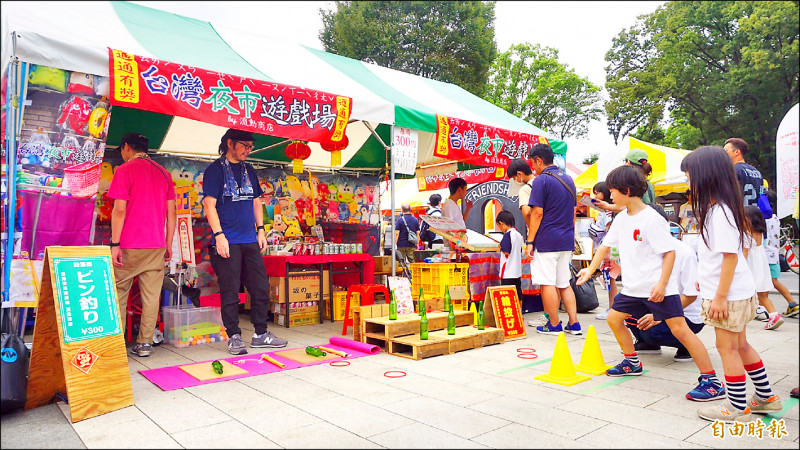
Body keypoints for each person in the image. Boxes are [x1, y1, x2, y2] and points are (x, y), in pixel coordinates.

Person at [575, 165, 719, 393]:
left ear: (626, 191)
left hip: (657, 289)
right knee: (613, 319)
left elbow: (669, 252)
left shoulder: (652, 219)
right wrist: (590, 270)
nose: (610, 196)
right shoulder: (622, 218)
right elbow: (604, 246)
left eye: (612, 191)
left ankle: (711, 381)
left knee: (681, 330)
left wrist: (662, 284)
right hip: (633, 288)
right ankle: (632, 362)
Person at [681, 146, 782, 423]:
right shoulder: (726, 208)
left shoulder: (719, 212)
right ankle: (766, 397)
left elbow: (729, 257)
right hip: (738, 293)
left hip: (728, 296)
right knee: (741, 346)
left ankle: (736, 407)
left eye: (690, 177)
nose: (689, 184)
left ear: (706, 177)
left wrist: (719, 298)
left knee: (728, 349)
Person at [202, 128, 287, 355]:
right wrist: (219, 236)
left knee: (260, 288)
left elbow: (256, 202)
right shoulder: (214, 170)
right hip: (226, 241)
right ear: (230, 143)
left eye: (251, 147)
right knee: (230, 291)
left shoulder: (249, 169)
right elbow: (209, 205)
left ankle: (261, 334)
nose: (248, 151)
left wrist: (261, 230)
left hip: (250, 239)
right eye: (245, 146)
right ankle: (234, 336)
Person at [623, 232, 726, 401]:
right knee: (627, 311)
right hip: (663, 307)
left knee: (657, 332)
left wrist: (659, 315)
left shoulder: (684, 253)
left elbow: (691, 295)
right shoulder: (647, 250)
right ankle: (645, 346)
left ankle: (701, 366)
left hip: (687, 314)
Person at [108, 132, 176, 357]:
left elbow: (119, 210)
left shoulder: (124, 170)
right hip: (156, 245)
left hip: (129, 245)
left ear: (126, 147)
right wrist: (168, 243)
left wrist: (115, 244)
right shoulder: (164, 173)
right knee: (151, 297)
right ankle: (145, 343)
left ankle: (115, 344)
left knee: (119, 294)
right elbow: (171, 213)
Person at [525, 144, 581, 335]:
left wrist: (530, 241)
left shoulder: (541, 181)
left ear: (538, 160)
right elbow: (573, 212)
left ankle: (554, 324)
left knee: (547, 282)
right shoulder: (568, 179)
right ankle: (574, 323)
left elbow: (537, 213)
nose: (533, 167)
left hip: (547, 240)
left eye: (533, 163)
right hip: (566, 239)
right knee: (563, 283)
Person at [743, 205, 784, 330]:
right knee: (763, 296)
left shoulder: (746, 236)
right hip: (761, 268)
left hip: (752, 269)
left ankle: (770, 315)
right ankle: (774, 314)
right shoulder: (759, 233)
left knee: (746, 294)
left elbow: (744, 255)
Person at [764, 190, 799, 317]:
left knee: (764, 284)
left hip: (766, 256)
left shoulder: (765, 219)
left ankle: (765, 309)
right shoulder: (775, 218)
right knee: (774, 282)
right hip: (775, 256)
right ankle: (792, 303)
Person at [588, 182, 618, 320]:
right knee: (609, 279)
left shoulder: (608, 211)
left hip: (608, 250)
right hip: (606, 248)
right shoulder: (605, 211)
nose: (595, 196)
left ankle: (612, 308)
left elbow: (608, 229)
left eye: (597, 193)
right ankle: (612, 307)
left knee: (610, 279)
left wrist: (606, 251)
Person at [594, 148, 657, 213]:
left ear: (628, 163)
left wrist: (607, 206)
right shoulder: (647, 183)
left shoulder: (633, 182)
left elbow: (630, 207)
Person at [723, 137, 763, 207]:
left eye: (726, 151)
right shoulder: (757, 172)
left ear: (737, 152)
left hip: (741, 214)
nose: (723, 154)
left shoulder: (733, 170)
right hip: (757, 214)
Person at [496, 210, 524, 302]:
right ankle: (519, 312)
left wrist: (501, 247)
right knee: (518, 293)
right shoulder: (518, 235)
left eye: (499, 226)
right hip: (517, 271)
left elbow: (506, 252)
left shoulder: (507, 235)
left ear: (501, 223)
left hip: (507, 271)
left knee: (507, 294)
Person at [507, 158, 535, 231]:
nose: (515, 181)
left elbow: (526, 213)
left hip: (538, 230)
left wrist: (532, 230)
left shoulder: (525, 189)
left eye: (514, 178)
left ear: (519, 174)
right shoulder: (542, 182)